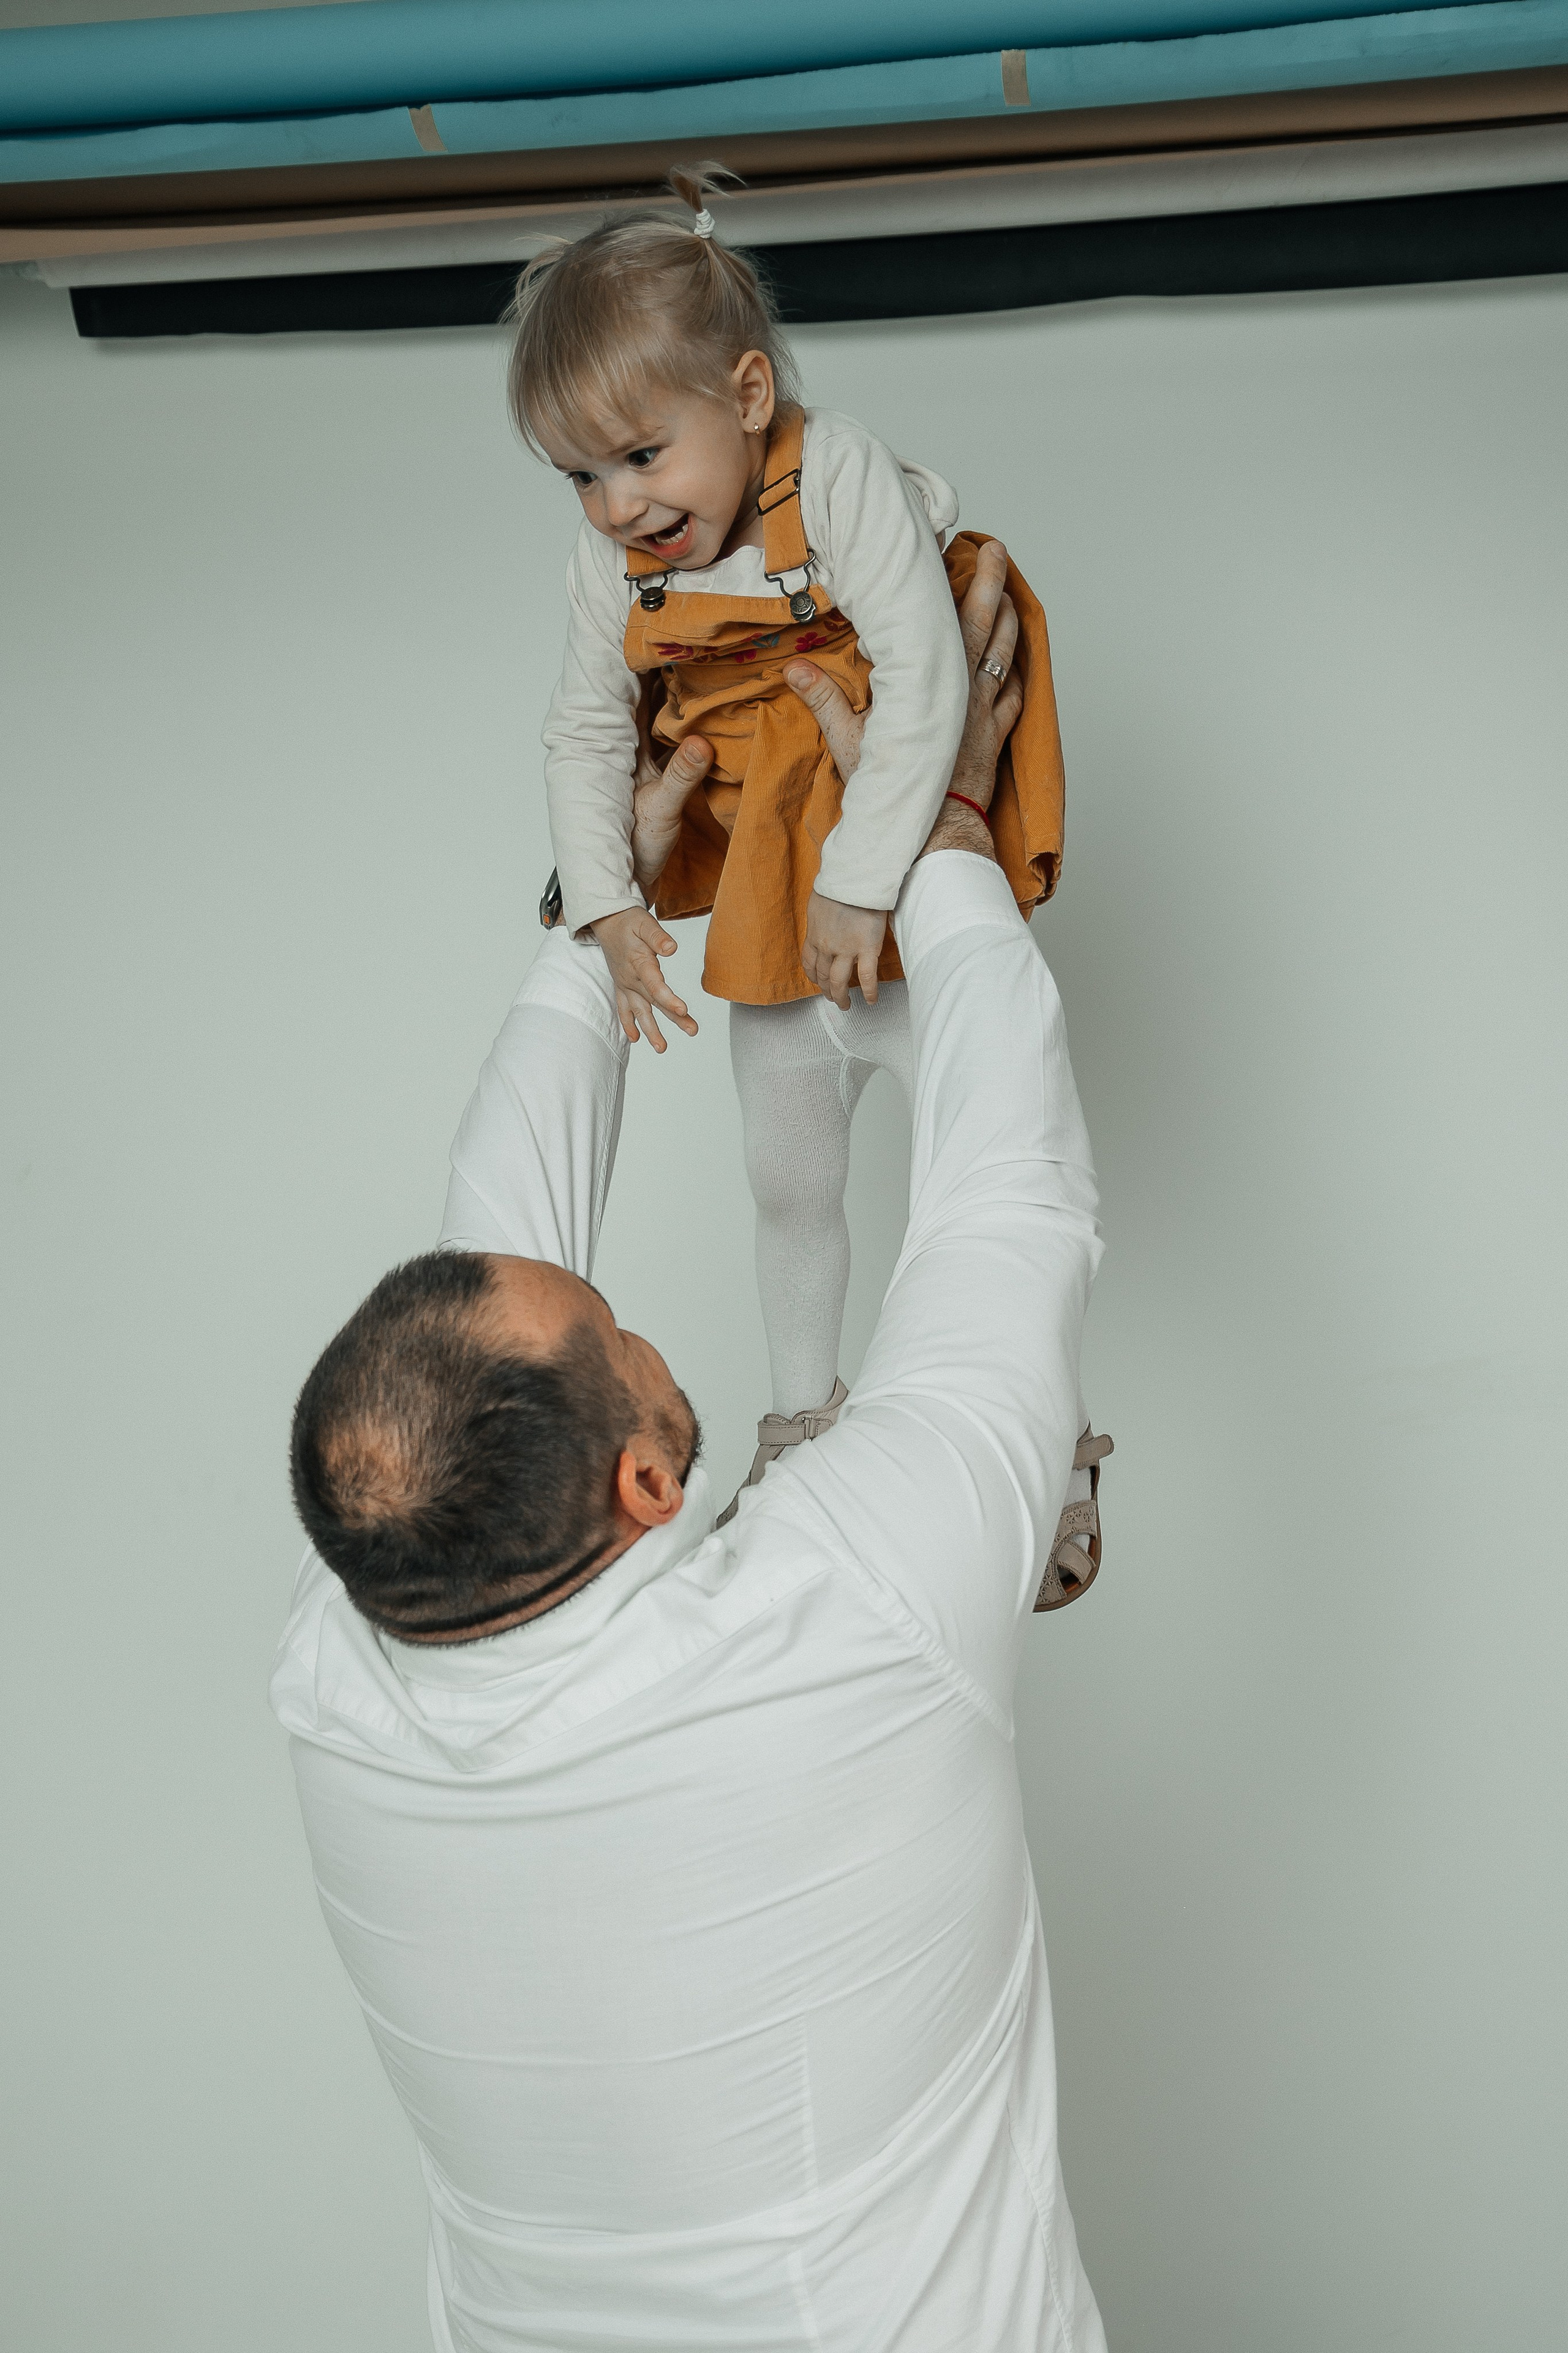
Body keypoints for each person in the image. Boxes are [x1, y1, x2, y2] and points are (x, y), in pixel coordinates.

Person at [272, 561, 1110, 2351]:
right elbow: (1012, 1199)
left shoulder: (345, 1671)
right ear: (645, 1486)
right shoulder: (851, 1610)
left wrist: (596, 913)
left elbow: (487, 1273)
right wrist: (947, 826)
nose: (634, 1315)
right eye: (619, 1332)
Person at [514, 168, 1106, 1562]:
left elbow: (923, 669)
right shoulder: (612, 569)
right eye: (581, 476)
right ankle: (802, 1419)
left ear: (747, 394)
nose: (616, 505)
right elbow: (583, 726)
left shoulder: (833, 471)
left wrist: (863, 878)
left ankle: (1053, 1443)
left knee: (989, 1182)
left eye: (641, 456)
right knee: (786, 1179)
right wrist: (605, 906)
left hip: (891, 861)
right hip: (773, 879)